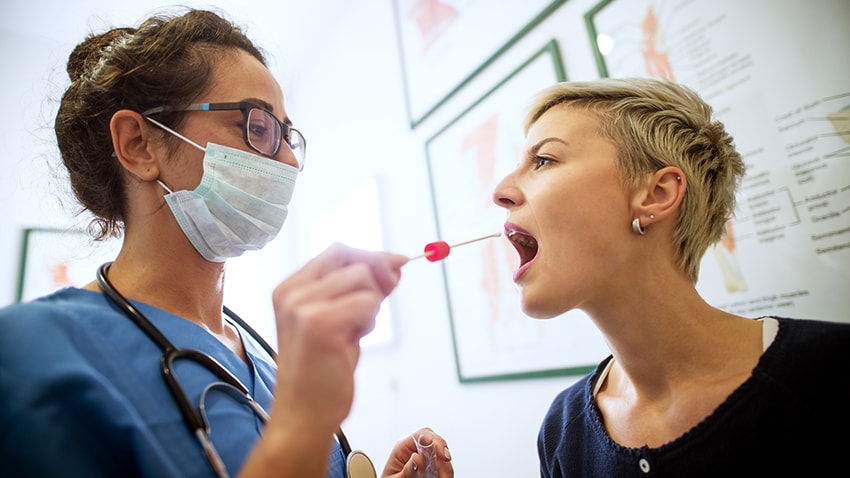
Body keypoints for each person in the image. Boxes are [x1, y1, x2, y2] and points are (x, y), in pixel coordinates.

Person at [0, 8, 453, 478]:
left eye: (288, 136)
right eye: (258, 128)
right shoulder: (30, 354)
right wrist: (304, 420)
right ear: (139, 144)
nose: (290, 162)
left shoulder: (264, 362)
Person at [491, 77, 850, 477]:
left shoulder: (831, 372)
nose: (501, 191)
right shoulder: (562, 430)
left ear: (657, 195)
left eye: (544, 160)